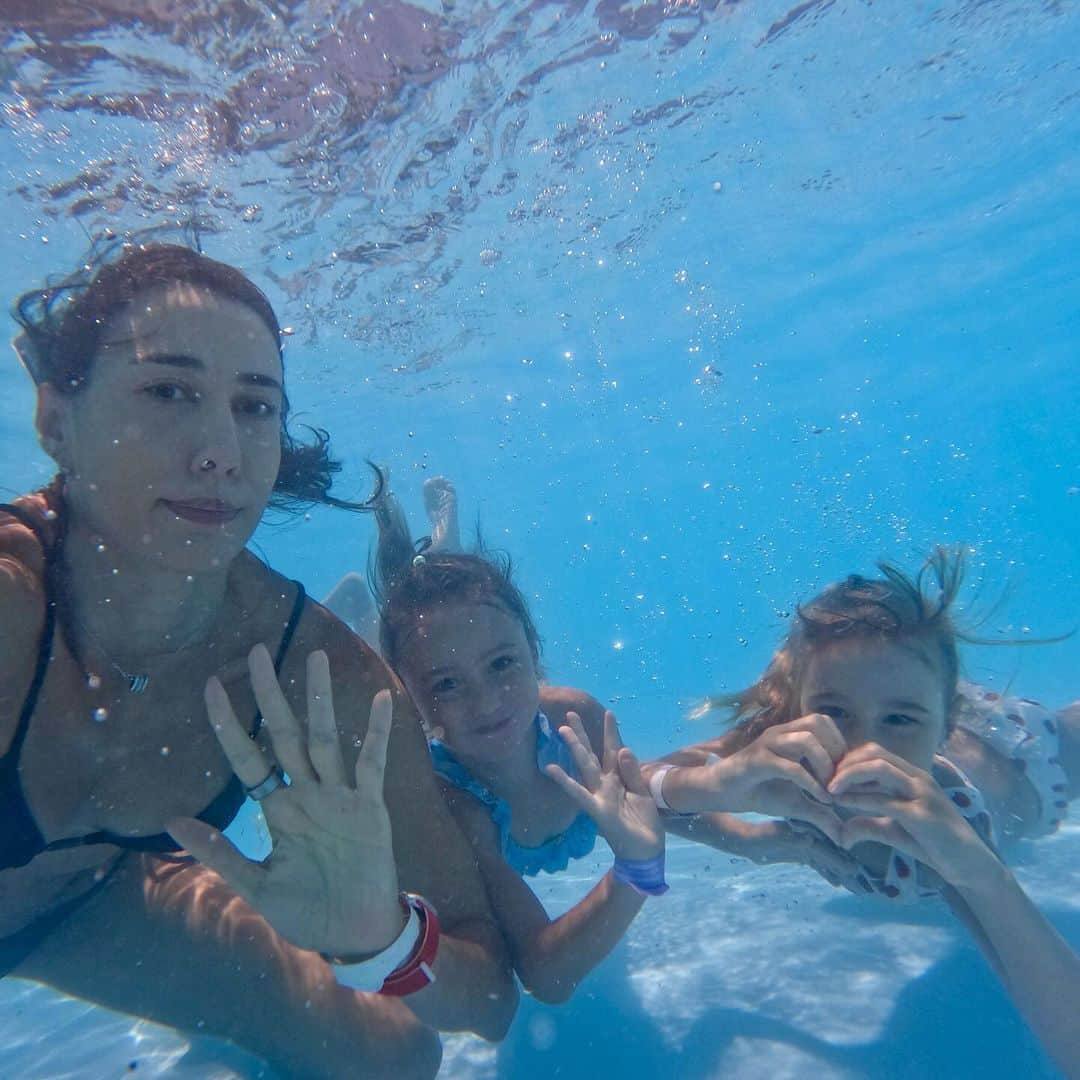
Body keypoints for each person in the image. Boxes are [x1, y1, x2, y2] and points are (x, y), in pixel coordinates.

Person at [1, 240, 516, 1077]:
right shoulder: (12, 598)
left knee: (398, 1056)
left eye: (254, 407)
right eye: (168, 391)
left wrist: (381, 941)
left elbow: (488, 999)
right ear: (57, 419)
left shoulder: (322, 677)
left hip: (89, 905)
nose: (221, 453)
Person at [643, 550, 1080, 1076]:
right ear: (795, 711)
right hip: (918, 696)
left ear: (942, 727)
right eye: (833, 713)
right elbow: (629, 787)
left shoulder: (945, 832)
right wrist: (735, 821)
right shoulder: (789, 741)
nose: (862, 750)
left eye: (897, 722)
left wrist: (983, 877)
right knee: (883, 694)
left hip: (1033, 759)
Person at [368, 486, 668, 1004]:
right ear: (416, 702)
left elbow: (662, 800)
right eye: (446, 685)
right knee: (380, 666)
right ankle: (419, 573)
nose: (486, 704)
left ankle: (444, 546)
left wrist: (755, 842)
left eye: (504, 664)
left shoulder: (572, 720)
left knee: (449, 623)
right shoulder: (453, 806)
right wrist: (636, 871)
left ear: (535, 654)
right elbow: (543, 975)